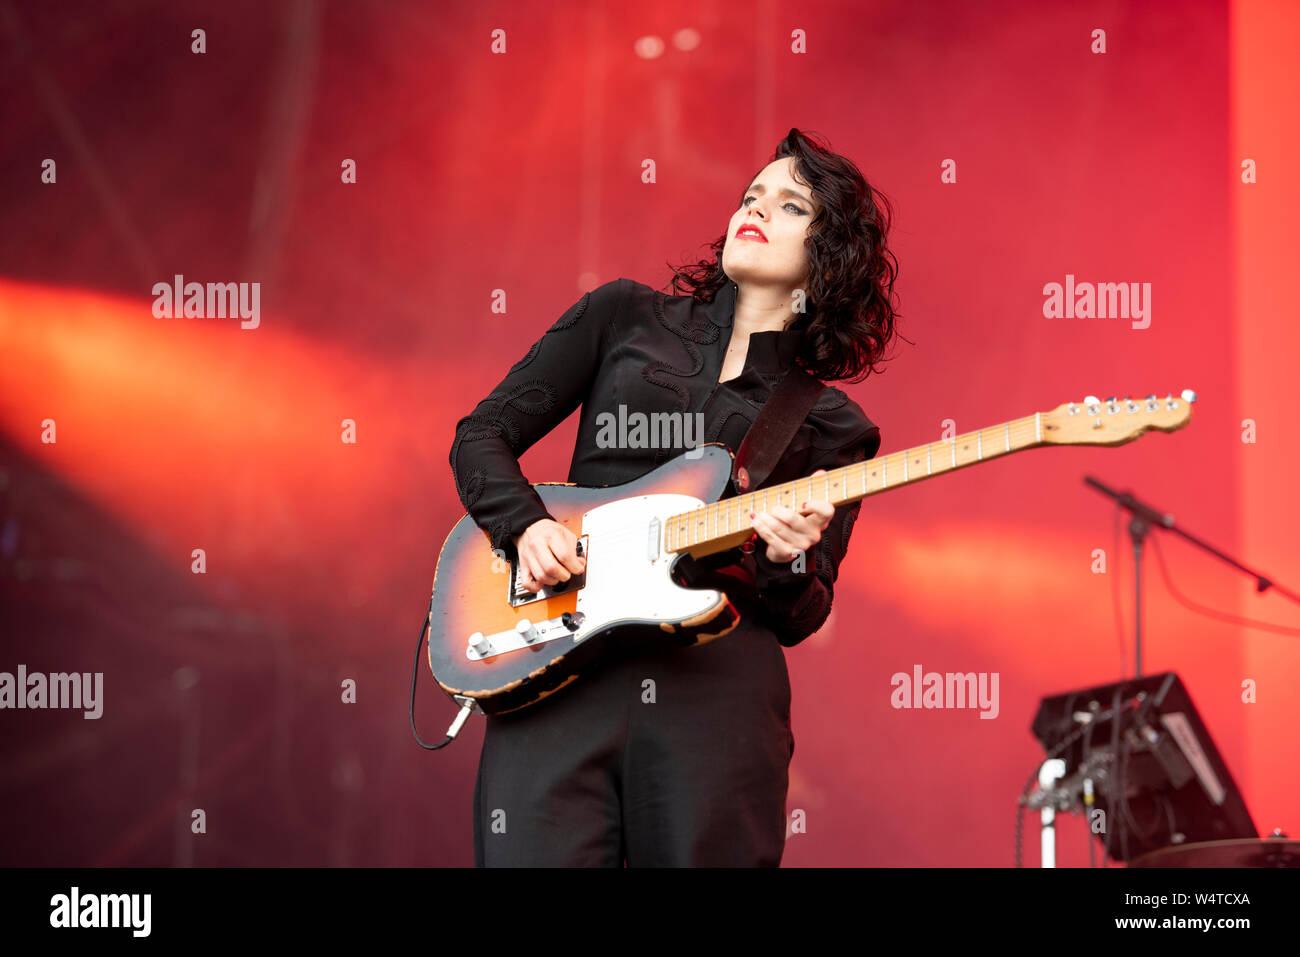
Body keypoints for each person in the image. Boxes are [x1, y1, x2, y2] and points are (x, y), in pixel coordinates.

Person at [448, 128, 901, 866]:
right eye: (752, 195)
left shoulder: (831, 423)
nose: (754, 209)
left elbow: (804, 611)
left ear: (828, 262)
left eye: (791, 206)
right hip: (557, 667)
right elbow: (481, 435)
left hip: (715, 698)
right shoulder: (623, 315)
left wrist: (789, 557)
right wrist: (526, 527)